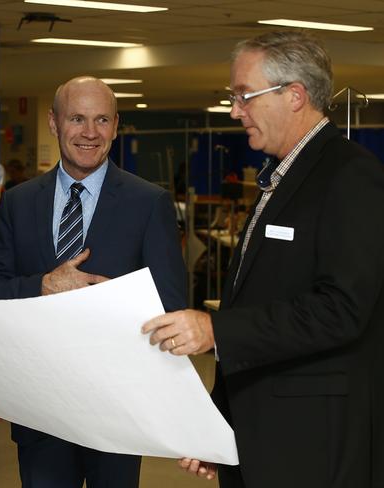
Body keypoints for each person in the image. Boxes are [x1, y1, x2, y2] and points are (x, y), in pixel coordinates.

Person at [142, 31, 384, 488]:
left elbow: (341, 310)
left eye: (243, 96)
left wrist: (215, 329)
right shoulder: (283, 176)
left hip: (314, 444)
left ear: (294, 95)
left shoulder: (351, 177)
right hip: (260, 436)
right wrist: (219, 421)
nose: (235, 111)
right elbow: (258, 302)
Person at [0, 75, 186, 488]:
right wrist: (42, 285)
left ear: (117, 126)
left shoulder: (149, 202)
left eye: (102, 120)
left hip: (117, 408)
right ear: (53, 123)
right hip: (38, 407)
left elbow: (171, 307)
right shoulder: (18, 201)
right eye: (77, 119)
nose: (90, 133)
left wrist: (119, 304)